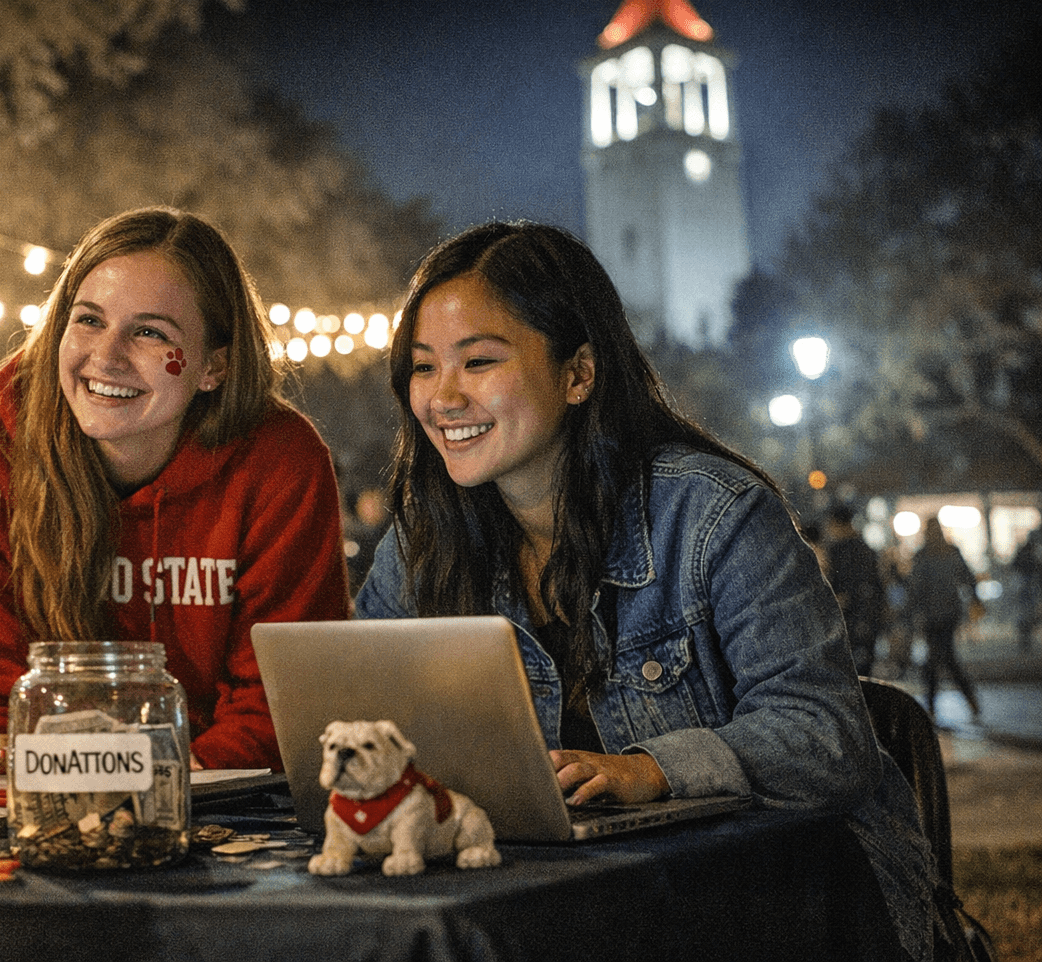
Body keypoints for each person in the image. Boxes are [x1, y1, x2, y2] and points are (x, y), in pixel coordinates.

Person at [355, 222, 934, 961]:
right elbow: (353, 716)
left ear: (579, 374)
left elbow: (828, 738)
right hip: (547, 908)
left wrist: (651, 770)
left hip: (774, 910)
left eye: (480, 361)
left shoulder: (714, 515)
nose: (443, 398)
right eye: (423, 368)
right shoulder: (424, 542)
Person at [0, 206, 350, 773]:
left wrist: (142, 791)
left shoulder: (281, 463)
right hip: (27, 809)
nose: (105, 357)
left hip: (230, 810)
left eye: (150, 332)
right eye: (88, 320)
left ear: (214, 367)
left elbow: (283, 707)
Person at [908, 519, 984, 723]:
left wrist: (913, 614)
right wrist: (974, 600)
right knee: (945, 659)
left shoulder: (922, 555)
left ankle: (931, 708)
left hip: (931, 616)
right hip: (950, 614)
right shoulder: (951, 551)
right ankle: (969, 701)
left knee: (935, 661)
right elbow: (968, 578)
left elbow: (915, 589)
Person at [825, 503, 890, 676]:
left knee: (848, 672)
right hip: (869, 618)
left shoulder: (838, 550)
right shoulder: (866, 549)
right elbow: (877, 585)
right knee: (863, 671)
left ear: (837, 524)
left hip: (848, 619)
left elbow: (843, 587)